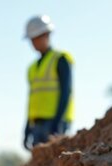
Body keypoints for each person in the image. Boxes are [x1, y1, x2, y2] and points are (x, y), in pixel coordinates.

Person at [23, 15, 73, 150]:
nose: (33, 43)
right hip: (37, 124)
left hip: (56, 122)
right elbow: (32, 99)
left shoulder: (60, 59)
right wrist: (27, 128)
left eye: (35, 38)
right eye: (31, 39)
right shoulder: (32, 68)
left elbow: (66, 92)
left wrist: (57, 124)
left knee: (56, 165)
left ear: (46, 35)